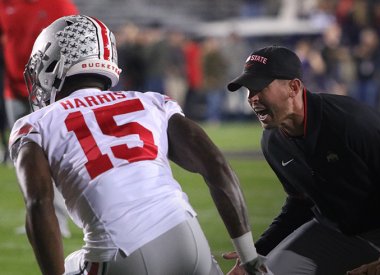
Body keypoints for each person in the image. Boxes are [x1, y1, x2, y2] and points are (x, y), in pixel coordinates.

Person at [9, 15, 267, 275]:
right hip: (189, 241)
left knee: (70, 267)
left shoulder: (36, 124)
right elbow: (216, 167)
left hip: (119, 252)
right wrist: (249, 256)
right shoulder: (150, 102)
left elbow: (39, 204)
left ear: (55, 63)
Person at [224, 45, 380, 275]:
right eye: (248, 90)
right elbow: (301, 202)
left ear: (293, 87)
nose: (252, 98)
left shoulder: (352, 121)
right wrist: (257, 251)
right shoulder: (273, 142)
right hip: (333, 231)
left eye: (259, 88)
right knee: (267, 272)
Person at [0, 0, 77, 238]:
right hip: (14, 90)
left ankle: (59, 219)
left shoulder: (58, 3)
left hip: (49, 91)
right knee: (25, 159)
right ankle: (37, 218)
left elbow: (72, 41)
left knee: (55, 155)